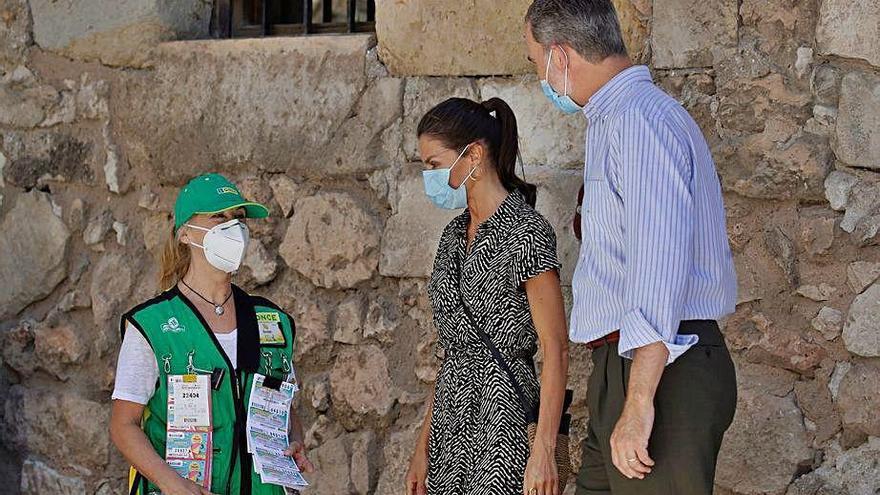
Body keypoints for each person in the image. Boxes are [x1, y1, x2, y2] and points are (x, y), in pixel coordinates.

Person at [523, 1, 739, 494]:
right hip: (625, 364)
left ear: (561, 55)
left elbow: (658, 265)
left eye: (536, 61)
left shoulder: (640, 121)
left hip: (660, 368)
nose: (540, 75)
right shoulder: (616, 118)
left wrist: (639, 401)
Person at [109, 173, 315, 495]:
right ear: (185, 234)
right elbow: (123, 426)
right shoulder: (151, 326)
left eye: (239, 218)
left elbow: (282, 407)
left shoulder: (273, 322)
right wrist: (172, 484)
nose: (233, 228)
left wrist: (295, 439)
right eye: (219, 216)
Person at [404, 97, 570, 495]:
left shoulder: (526, 233)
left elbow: (556, 347)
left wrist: (544, 449)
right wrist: (421, 449)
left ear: (473, 154)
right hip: (450, 418)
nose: (429, 176)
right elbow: (454, 351)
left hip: (505, 416)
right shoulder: (450, 237)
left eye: (434, 164)